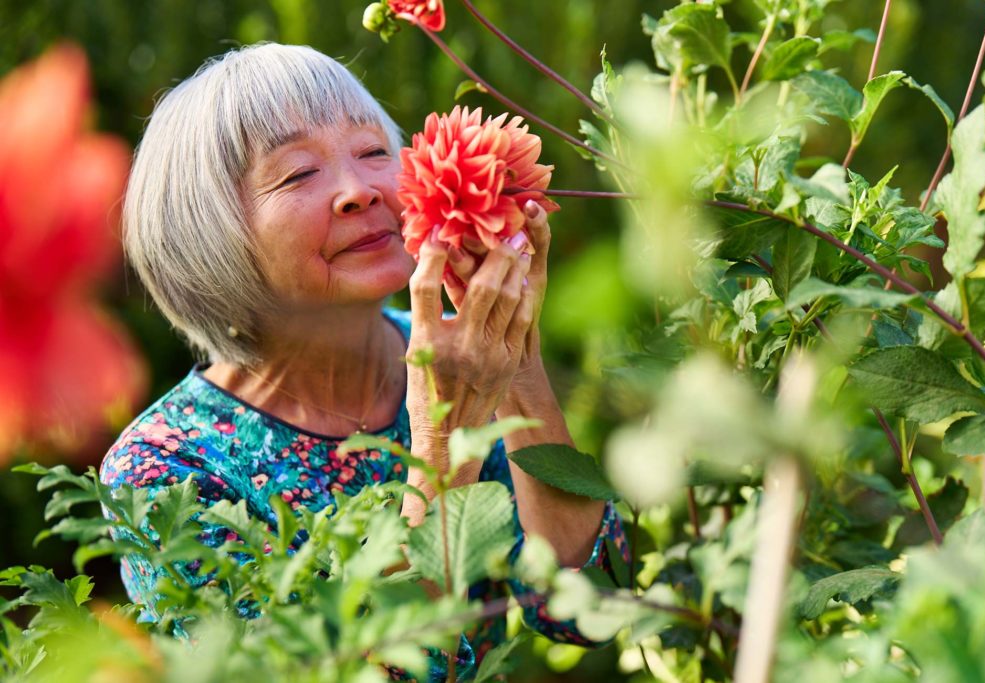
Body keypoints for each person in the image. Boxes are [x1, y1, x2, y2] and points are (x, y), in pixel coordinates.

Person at [99, 42, 628, 678]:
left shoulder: (465, 360)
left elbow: (591, 610)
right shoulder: (165, 469)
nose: (358, 190)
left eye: (374, 151)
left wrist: (518, 367)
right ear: (208, 238)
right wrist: (441, 437)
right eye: (297, 173)